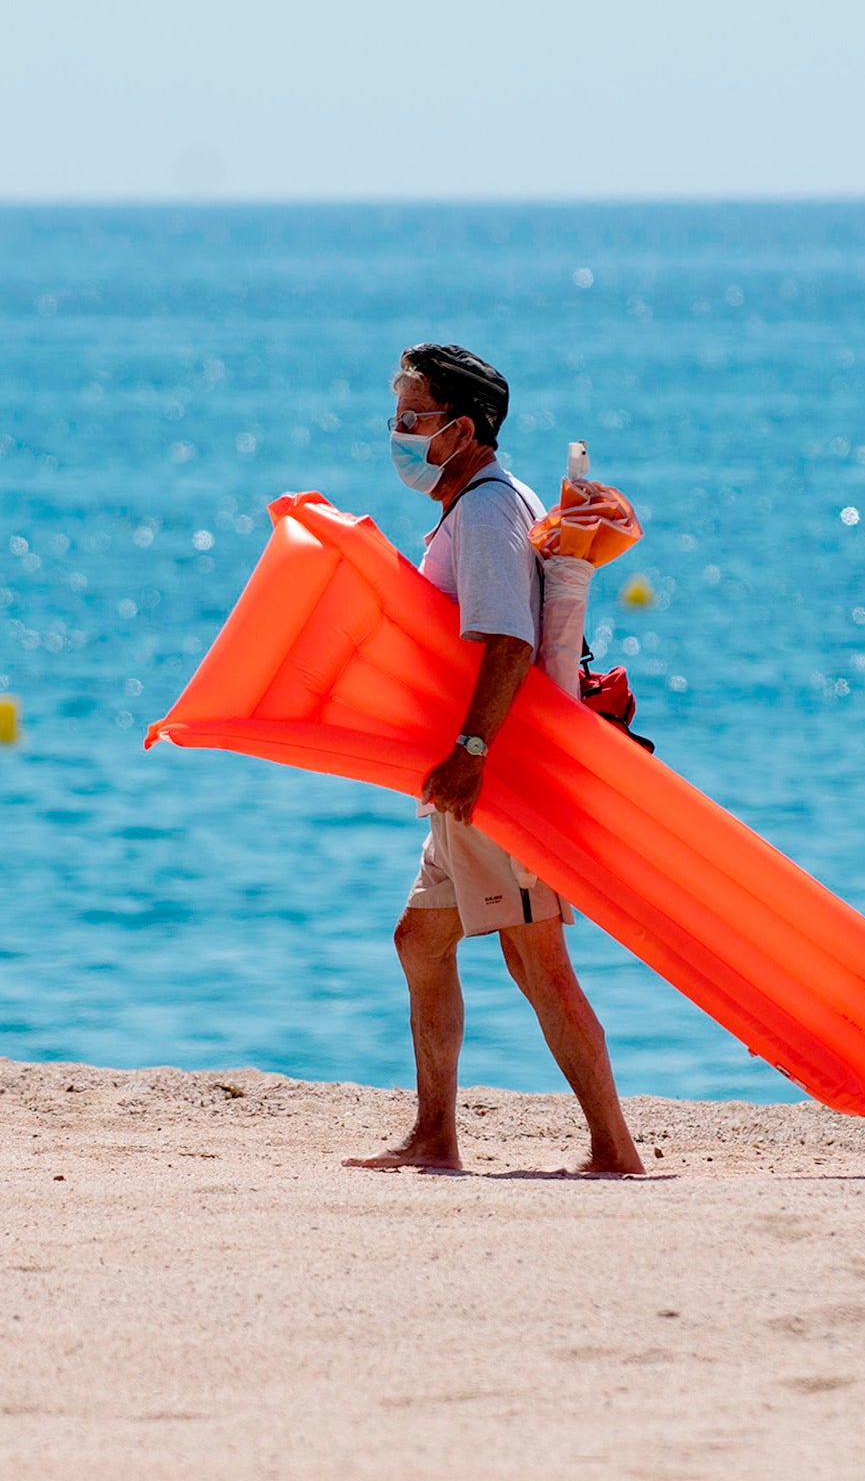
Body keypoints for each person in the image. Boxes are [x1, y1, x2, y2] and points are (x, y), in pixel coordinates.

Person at [346, 344, 645, 1177]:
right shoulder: (479, 502)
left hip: (497, 773)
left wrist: (472, 754)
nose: (399, 432)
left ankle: (613, 1149)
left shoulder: (482, 512)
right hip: (469, 775)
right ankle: (434, 1135)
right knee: (421, 940)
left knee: (536, 958)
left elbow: (507, 639)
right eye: (397, 416)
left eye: (413, 418)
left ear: (463, 428)